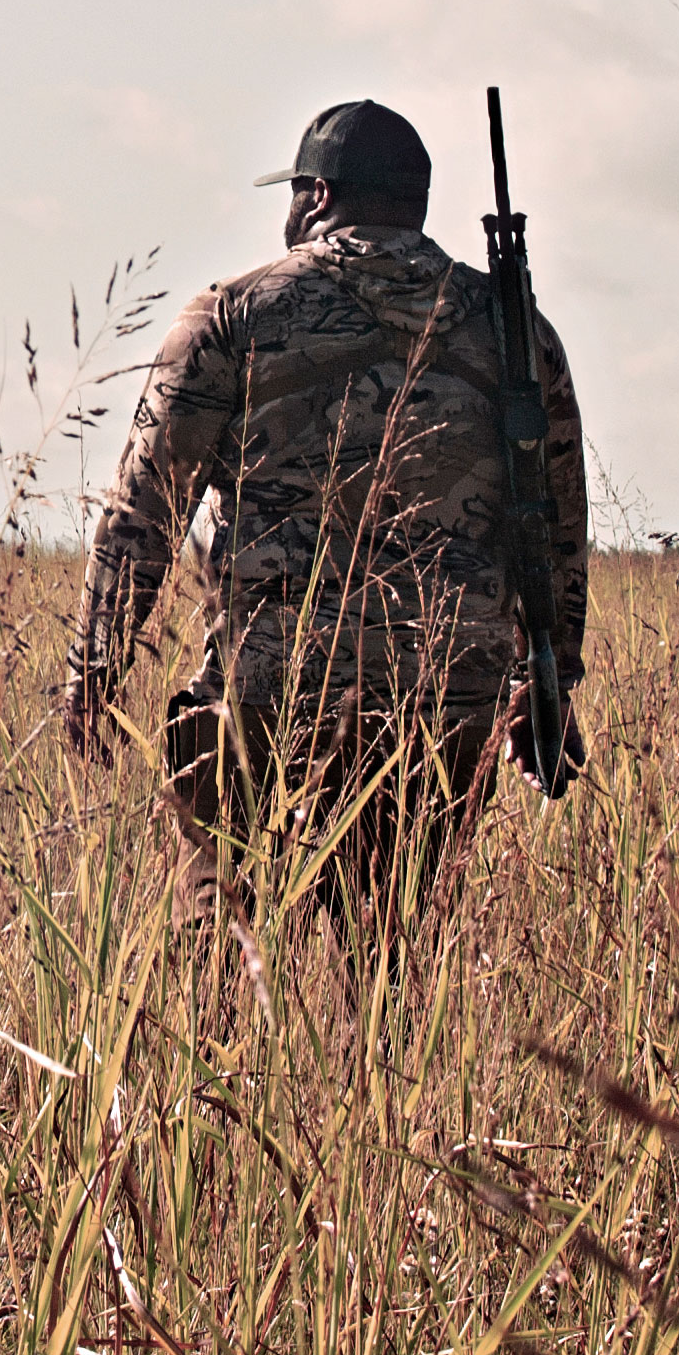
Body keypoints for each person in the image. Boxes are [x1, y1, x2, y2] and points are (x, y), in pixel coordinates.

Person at [73, 100, 588, 961]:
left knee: (213, 947)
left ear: (317, 195)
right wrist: (550, 681)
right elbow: (556, 523)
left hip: (268, 697)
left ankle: (215, 1037)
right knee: (385, 966)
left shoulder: (234, 315)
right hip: (442, 704)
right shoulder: (513, 330)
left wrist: (94, 669)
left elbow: (142, 514)